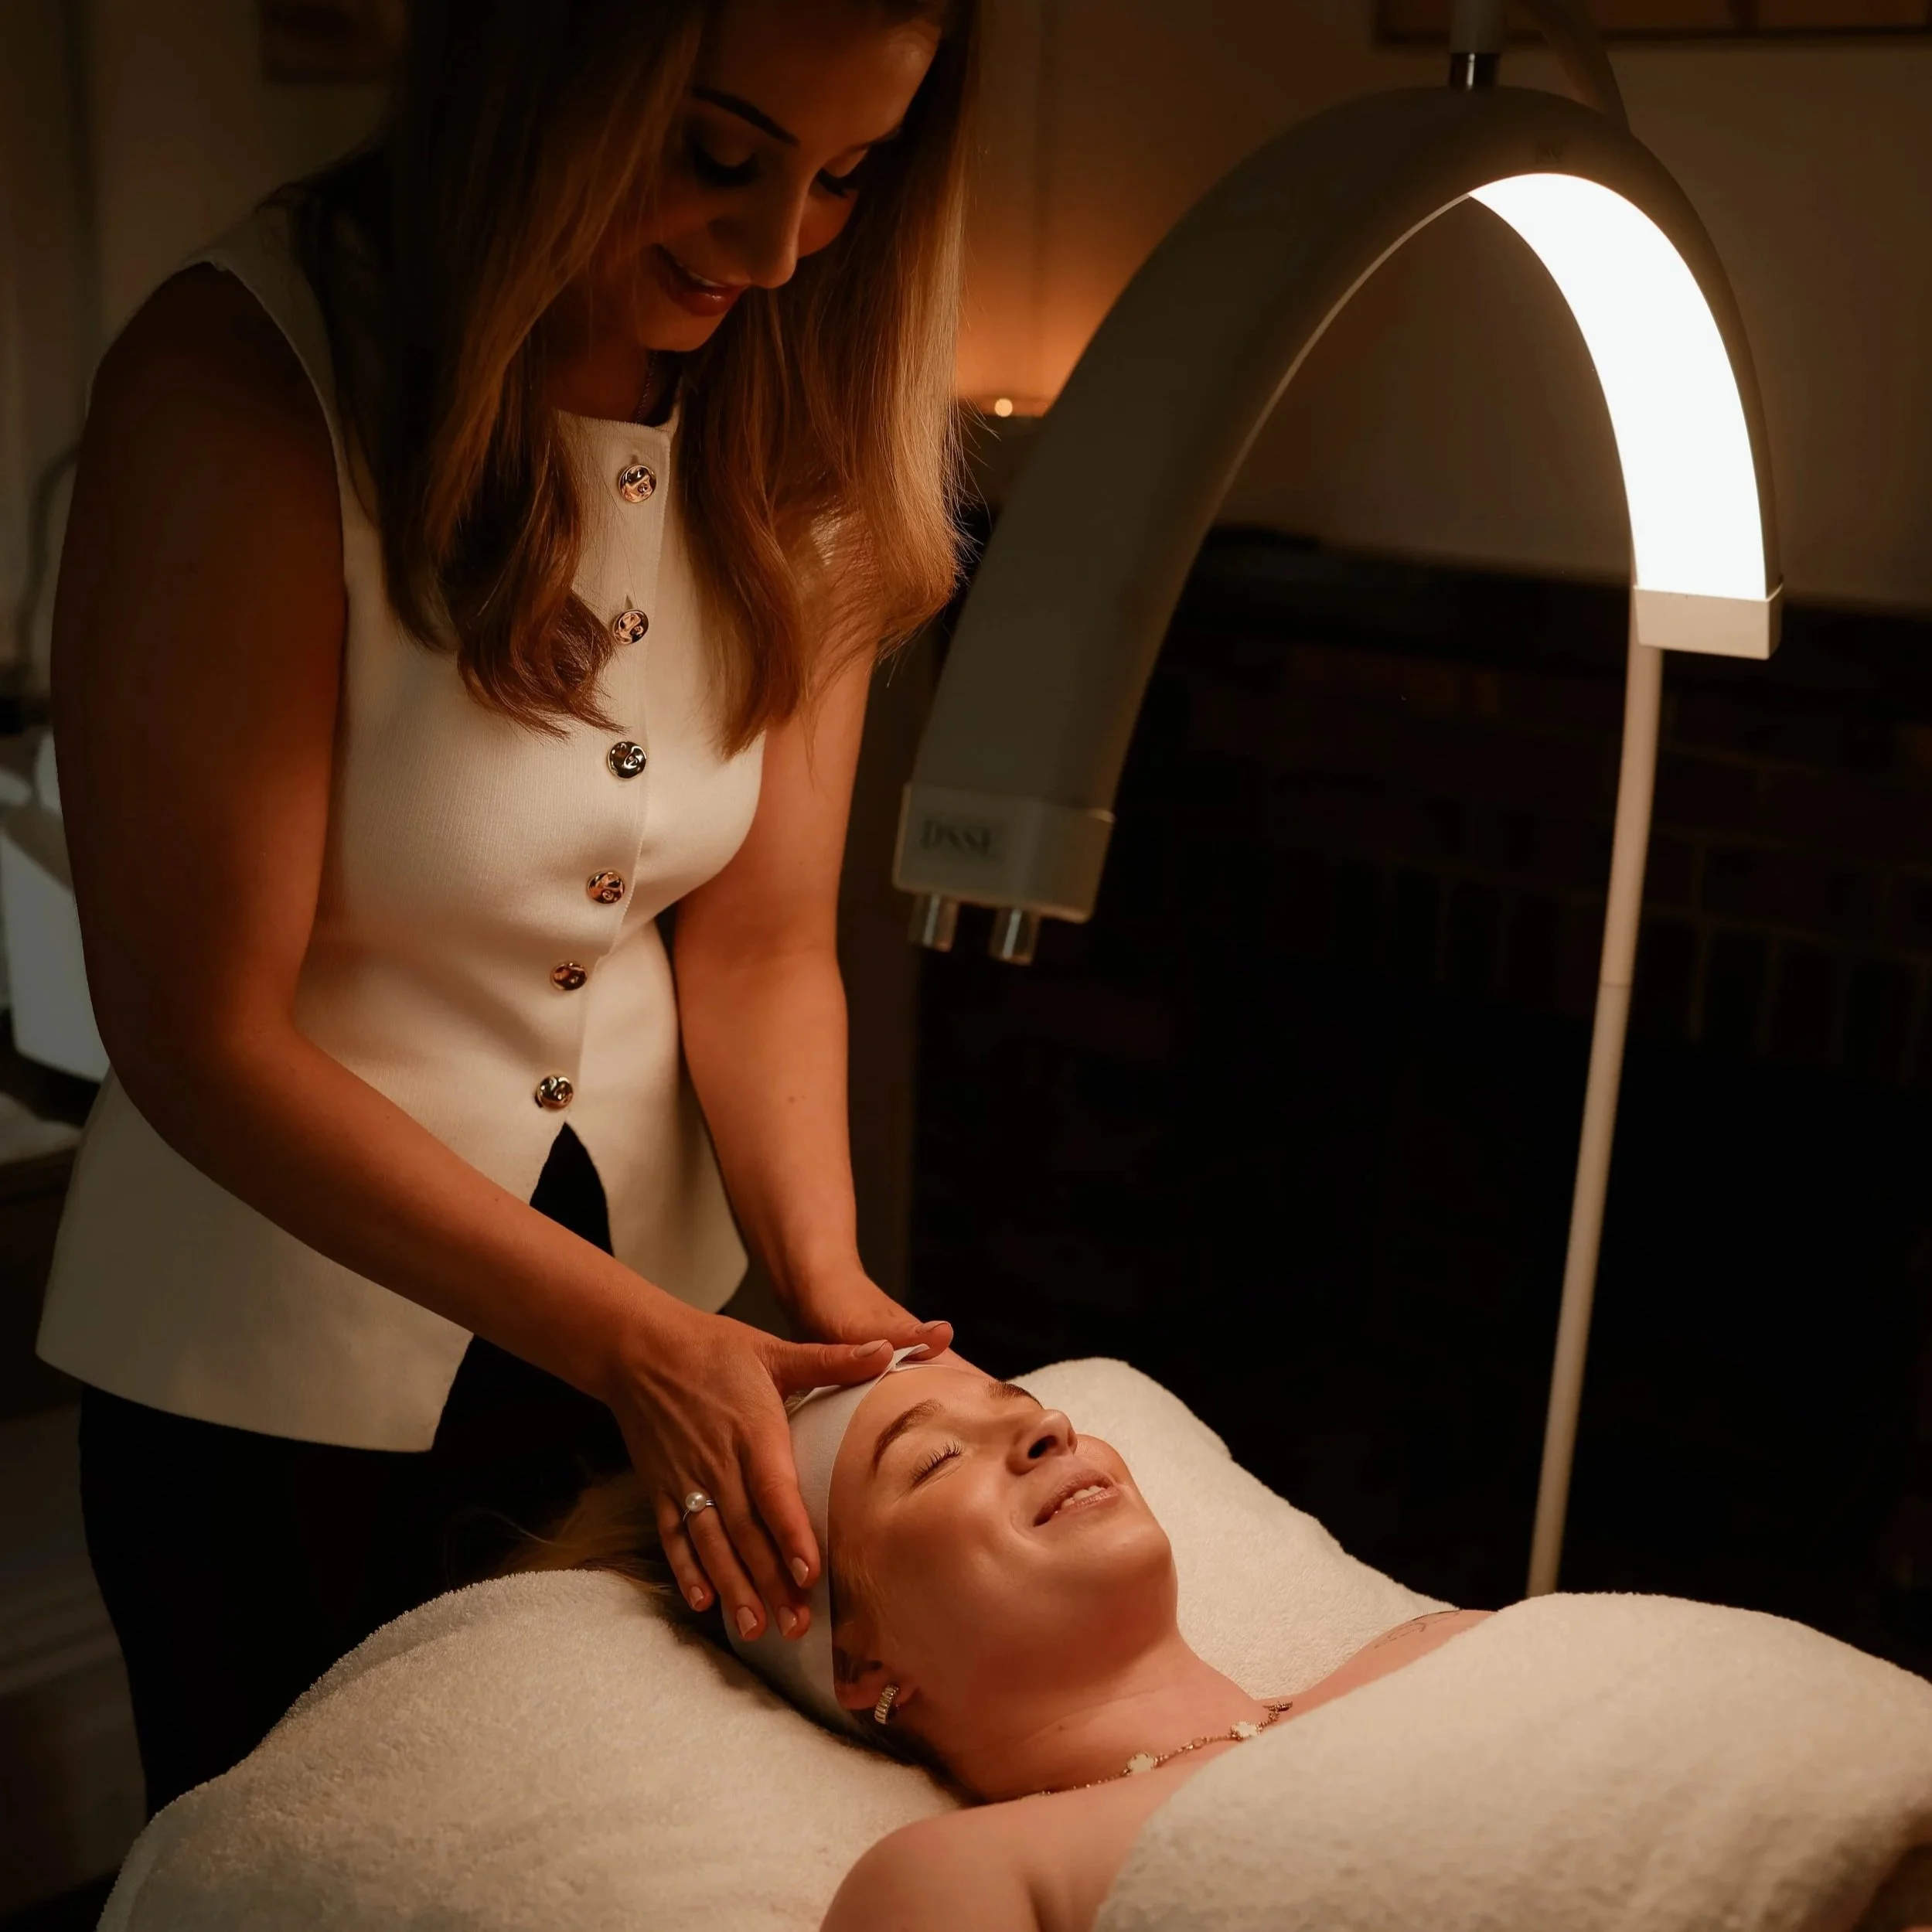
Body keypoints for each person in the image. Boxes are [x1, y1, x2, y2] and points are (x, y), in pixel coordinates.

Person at [39, 0, 975, 1813]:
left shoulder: (803, 413)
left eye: (847, 175)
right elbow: (198, 1033)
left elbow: (769, 946)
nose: (777, 247)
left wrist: (828, 1278)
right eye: (717, 155)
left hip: (655, 1363)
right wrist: (640, 1344)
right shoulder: (247, 385)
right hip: (268, 1381)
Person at [520, 1351, 1491, 1932]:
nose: (1054, 1432)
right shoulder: (965, 1873)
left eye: (1026, 1412)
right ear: (860, 1663)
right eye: (937, 1458)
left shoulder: (1439, 1648)